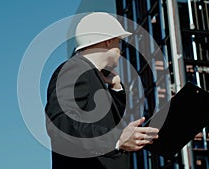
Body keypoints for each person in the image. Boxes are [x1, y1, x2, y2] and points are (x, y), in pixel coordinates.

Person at [45, 12, 159, 169]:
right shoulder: (74, 68)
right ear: (108, 41)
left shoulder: (90, 76)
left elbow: (106, 123)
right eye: (119, 43)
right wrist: (116, 139)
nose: (120, 50)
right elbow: (61, 122)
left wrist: (116, 89)